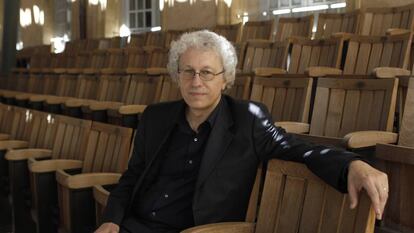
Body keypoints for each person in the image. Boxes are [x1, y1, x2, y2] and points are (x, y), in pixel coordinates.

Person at [95, 30, 388, 233]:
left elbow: (297, 148)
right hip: (135, 226)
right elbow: (132, 176)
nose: (196, 81)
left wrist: (353, 163)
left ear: (226, 79)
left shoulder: (248, 120)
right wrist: (112, 219)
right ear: (177, 76)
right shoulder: (155, 117)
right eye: (188, 71)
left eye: (207, 72)